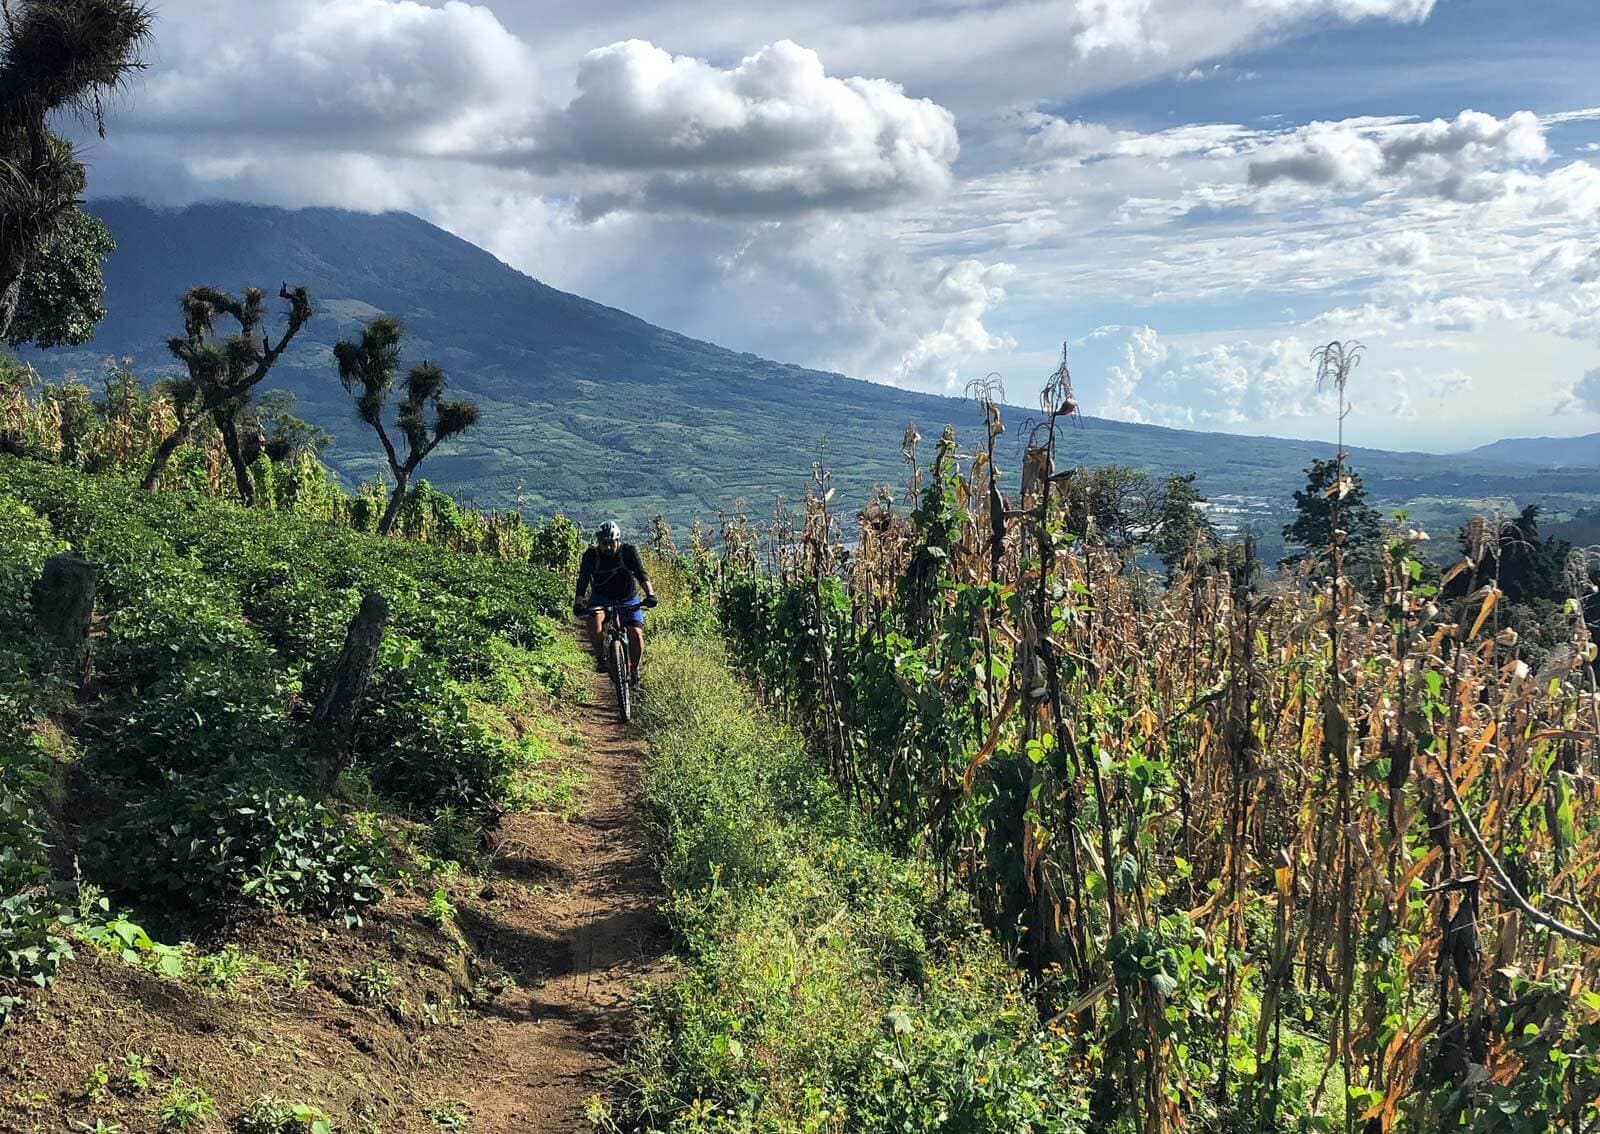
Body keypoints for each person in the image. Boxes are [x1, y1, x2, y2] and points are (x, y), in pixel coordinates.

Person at [572, 520, 657, 683]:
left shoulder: (628, 552)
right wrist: (579, 602)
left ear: (617, 540)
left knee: (636, 634)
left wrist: (650, 594)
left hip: (627, 597)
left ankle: (634, 670)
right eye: (604, 543)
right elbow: (582, 580)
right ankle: (600, 658)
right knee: (594, 619)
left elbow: (641, 574)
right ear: (599, 542)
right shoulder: (591, 555)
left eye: (611, 542)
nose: (608, 547)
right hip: (601, 598)